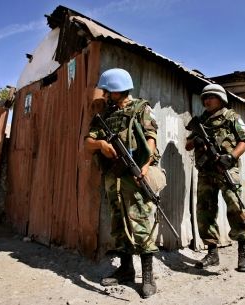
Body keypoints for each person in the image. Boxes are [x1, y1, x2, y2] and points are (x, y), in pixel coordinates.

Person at [84, 68, 160, 298]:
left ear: (118, 89)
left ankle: (147, 276)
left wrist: (144, 166)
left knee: (141, 221)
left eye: (108, 91)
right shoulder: (106, 115)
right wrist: (102, 146)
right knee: (118, 222)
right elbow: (88, 142)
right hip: (113, 176)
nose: (105, 95)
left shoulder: (140, 109)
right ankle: (126, 268)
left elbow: (151, 139)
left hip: (135, 173)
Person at [185, 84, 245, 272]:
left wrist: (231, 157)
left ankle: (243, 252)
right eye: (205, 98)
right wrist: (196, 140)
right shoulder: (200, 121)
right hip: (206, 172)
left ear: (221, 99)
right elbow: (188, 146)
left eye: (211, 97)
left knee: (235, 206)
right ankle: (212, 253)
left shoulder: (232, 117)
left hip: (227, 170)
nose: (207, 100)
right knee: (205, 211)